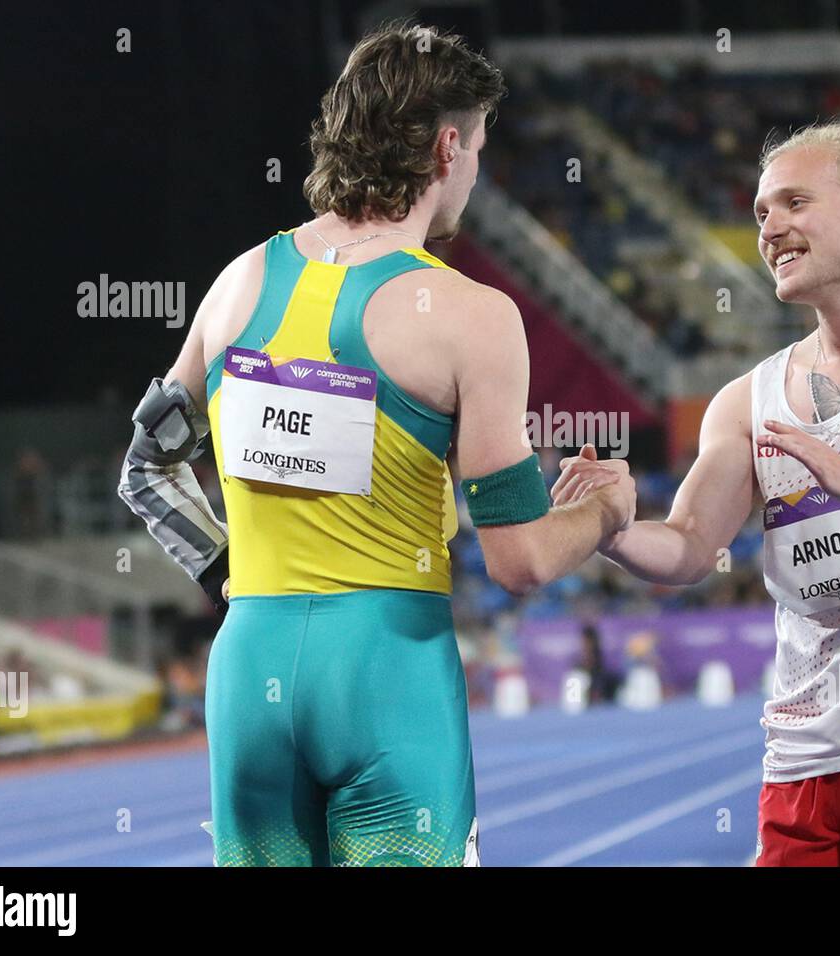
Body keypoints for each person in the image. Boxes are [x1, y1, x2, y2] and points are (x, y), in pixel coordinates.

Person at [117, 21, 634, 866]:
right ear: (446, 146)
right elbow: (521, 560)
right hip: (389, 671)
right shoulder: (472, 316)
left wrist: (234, 577)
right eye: (477, 151)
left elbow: (146, 471)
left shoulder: (237, 284)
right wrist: (609, 511)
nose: (475, 173)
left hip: (250, 671)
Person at [554, 120, 840, 866]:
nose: (771, 227)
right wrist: (611, 522)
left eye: (795, 202)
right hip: (803, 764)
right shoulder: (747, 399)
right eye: (762, 211)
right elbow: (687, 548)